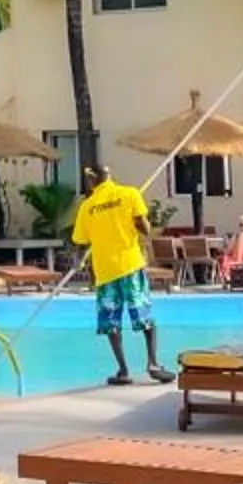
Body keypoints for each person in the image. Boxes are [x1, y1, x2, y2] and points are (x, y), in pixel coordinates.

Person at [69, 161, 172, 385]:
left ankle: (123, 370)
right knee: (144, 317)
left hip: (106, 272)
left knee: (110, 323)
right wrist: (137, 221)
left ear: (91, 180)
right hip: (130, 266)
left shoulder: (87, 206)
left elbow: (79, 242)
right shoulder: (130, 194)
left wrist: (77, 262)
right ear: (109, 175)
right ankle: (153, 363)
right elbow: (144, 228)